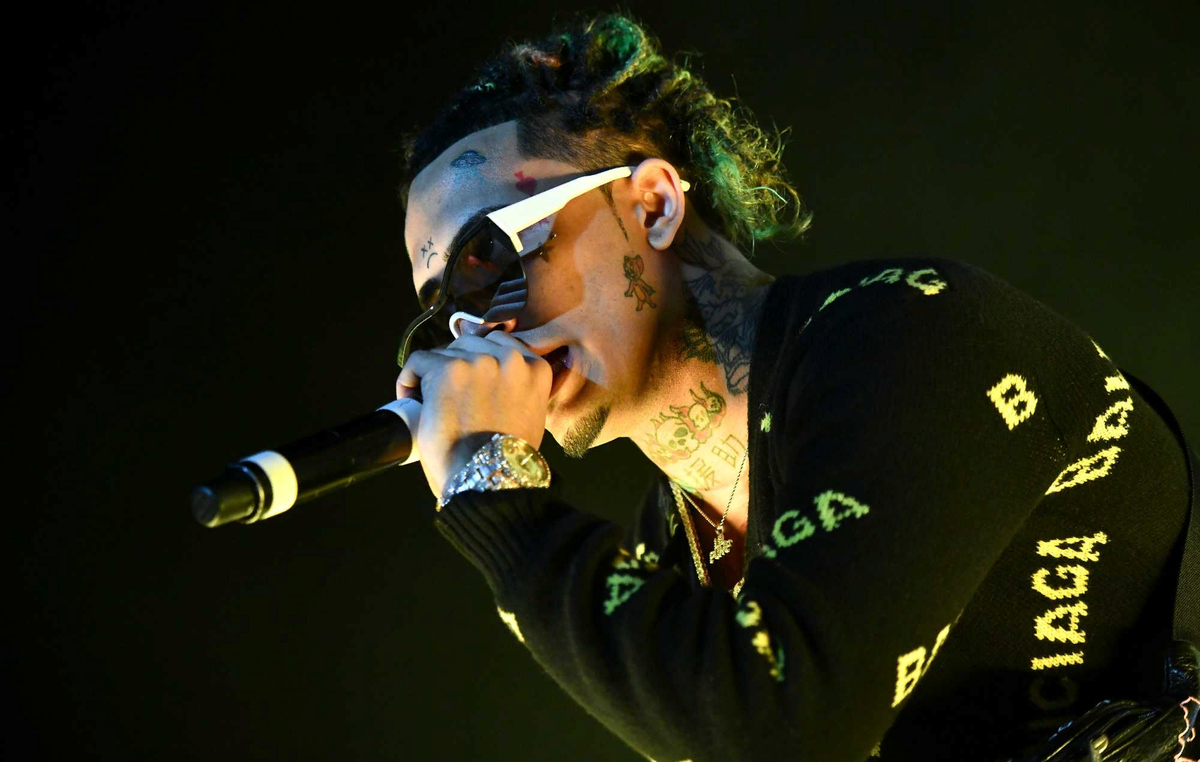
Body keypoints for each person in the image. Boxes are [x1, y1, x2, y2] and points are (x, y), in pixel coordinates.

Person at [392, 13, 1195, 762]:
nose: (476, 332)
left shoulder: (909, 333)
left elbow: (787, 723)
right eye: (442, 318)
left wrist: (492, 490)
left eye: (486, 262)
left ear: (655, 204)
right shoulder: (669, 549)